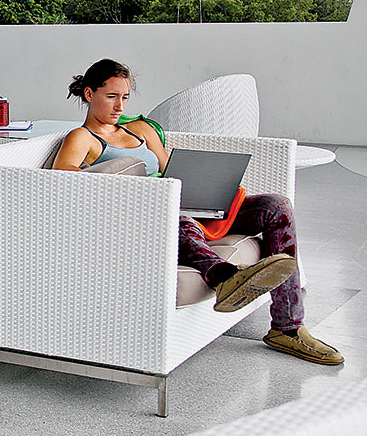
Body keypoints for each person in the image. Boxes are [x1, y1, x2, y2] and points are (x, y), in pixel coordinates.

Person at [50, 58, 343, 365]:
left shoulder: (140, 131)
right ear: (88, 94)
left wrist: (208, 186)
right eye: (111, 97)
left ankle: (288, 328)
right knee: (182, 219)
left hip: (186, 205)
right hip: (151, 217)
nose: (119, 106)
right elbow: (61, 181)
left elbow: (172, 171)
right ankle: (226, 277)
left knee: (275, 206)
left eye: (124, 97)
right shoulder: (81, 138)